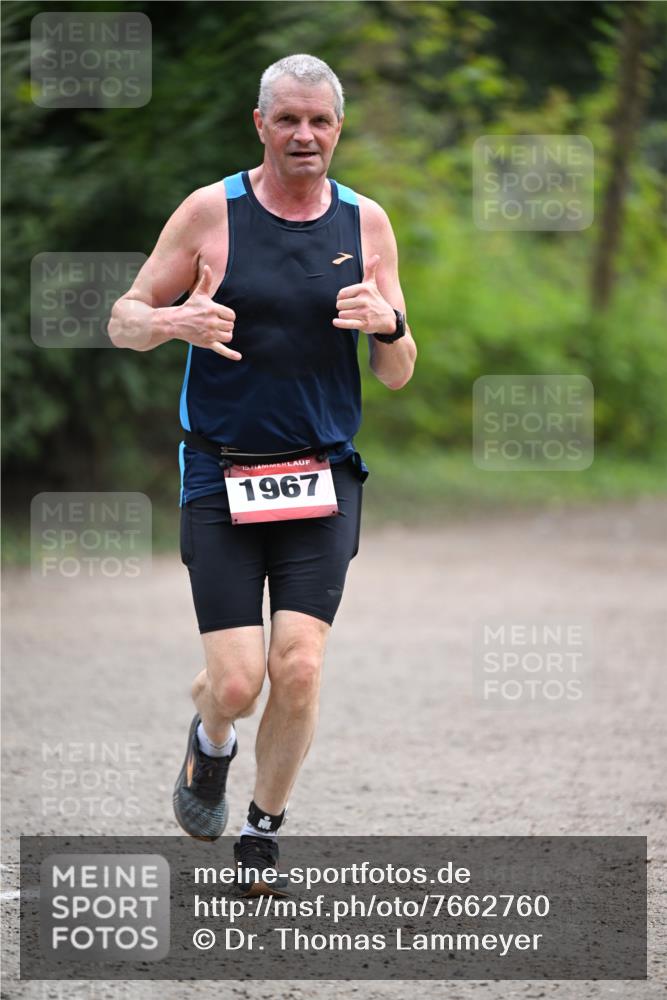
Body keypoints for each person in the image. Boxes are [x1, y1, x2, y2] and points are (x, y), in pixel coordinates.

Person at [109, 54, 416, 895]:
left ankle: (262, 828)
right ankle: (209, 746)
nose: (304, 135)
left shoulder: (366, 224)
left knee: (301, 665)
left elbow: (397, 371)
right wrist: (174, 319)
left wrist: (390, 325)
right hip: (221, 472)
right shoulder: (213, 212)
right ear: (261, 125)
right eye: (288, 120)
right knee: (238, 683)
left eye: (319, 121)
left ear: (338, 128)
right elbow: (122, 319)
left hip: (321, 474)